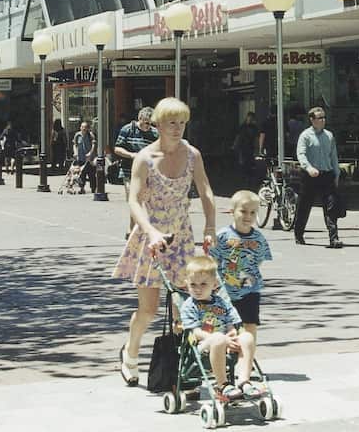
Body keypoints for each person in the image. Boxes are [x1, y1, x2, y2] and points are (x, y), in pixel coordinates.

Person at [111, 97, 215, 386]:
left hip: (182, 240)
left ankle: (183, 369)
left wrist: (210, 226)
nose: (177, 128)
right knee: (149, 309)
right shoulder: (144, 158)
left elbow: (205, 191)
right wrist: (151, 231)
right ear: (157, 124)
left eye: (182, 123)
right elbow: (133, 199)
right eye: (171, 122)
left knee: (186, 308)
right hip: (152, 240)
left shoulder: (193, 154)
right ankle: (130, 354)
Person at [210, 190, 271, 397]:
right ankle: (228, 358)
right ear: (232, 211)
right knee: (229, 326)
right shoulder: (223, 236)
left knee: (250, 325)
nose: (248, 216)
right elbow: (213, 259)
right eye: (243, 211)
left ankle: (247, 359)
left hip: (250, 289)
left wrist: (248, 277)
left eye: (253, 213)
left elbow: (260, 259)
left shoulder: (258, 237)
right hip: (227, 291)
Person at [179, 255, 254, 403]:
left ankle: (244, 381)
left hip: (225, 341)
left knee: (247, 337)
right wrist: (221, 338)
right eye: (193, 285)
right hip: (203, 345)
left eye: (203, 284)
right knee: (218, 338)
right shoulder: (189, 305)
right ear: (187, 284)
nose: (198, 289)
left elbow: (230, 322)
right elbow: (195, 332)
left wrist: (232, 331)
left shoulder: (222, 302)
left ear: (214, 285)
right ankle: (222, 384)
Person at [293, 106, 343, 248]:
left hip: (326, 175)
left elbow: (333, 156)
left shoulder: (329, 136)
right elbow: (301, 154)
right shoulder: (305, 136)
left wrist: (336, 173)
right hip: (310, 175)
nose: (323, 120)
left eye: (324, 117)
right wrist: (309, 168)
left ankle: (334, 238)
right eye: (320, 118)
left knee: (331, 206)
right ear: (312, 120)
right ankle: (299, 233)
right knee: (304, 205)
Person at [233, 112, 258, 181]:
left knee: (249, 163)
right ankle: (244, 176)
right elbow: (238, 137)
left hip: (250, 147)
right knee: (243, 162)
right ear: (247, 117)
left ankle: (248, 176)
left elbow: (256, 138)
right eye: (249, 117)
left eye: (251, 118)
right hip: (243, 147)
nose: (250, 119)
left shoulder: (253, 127)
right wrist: (235, 146)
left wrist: (256, 149)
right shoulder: (242, 126)